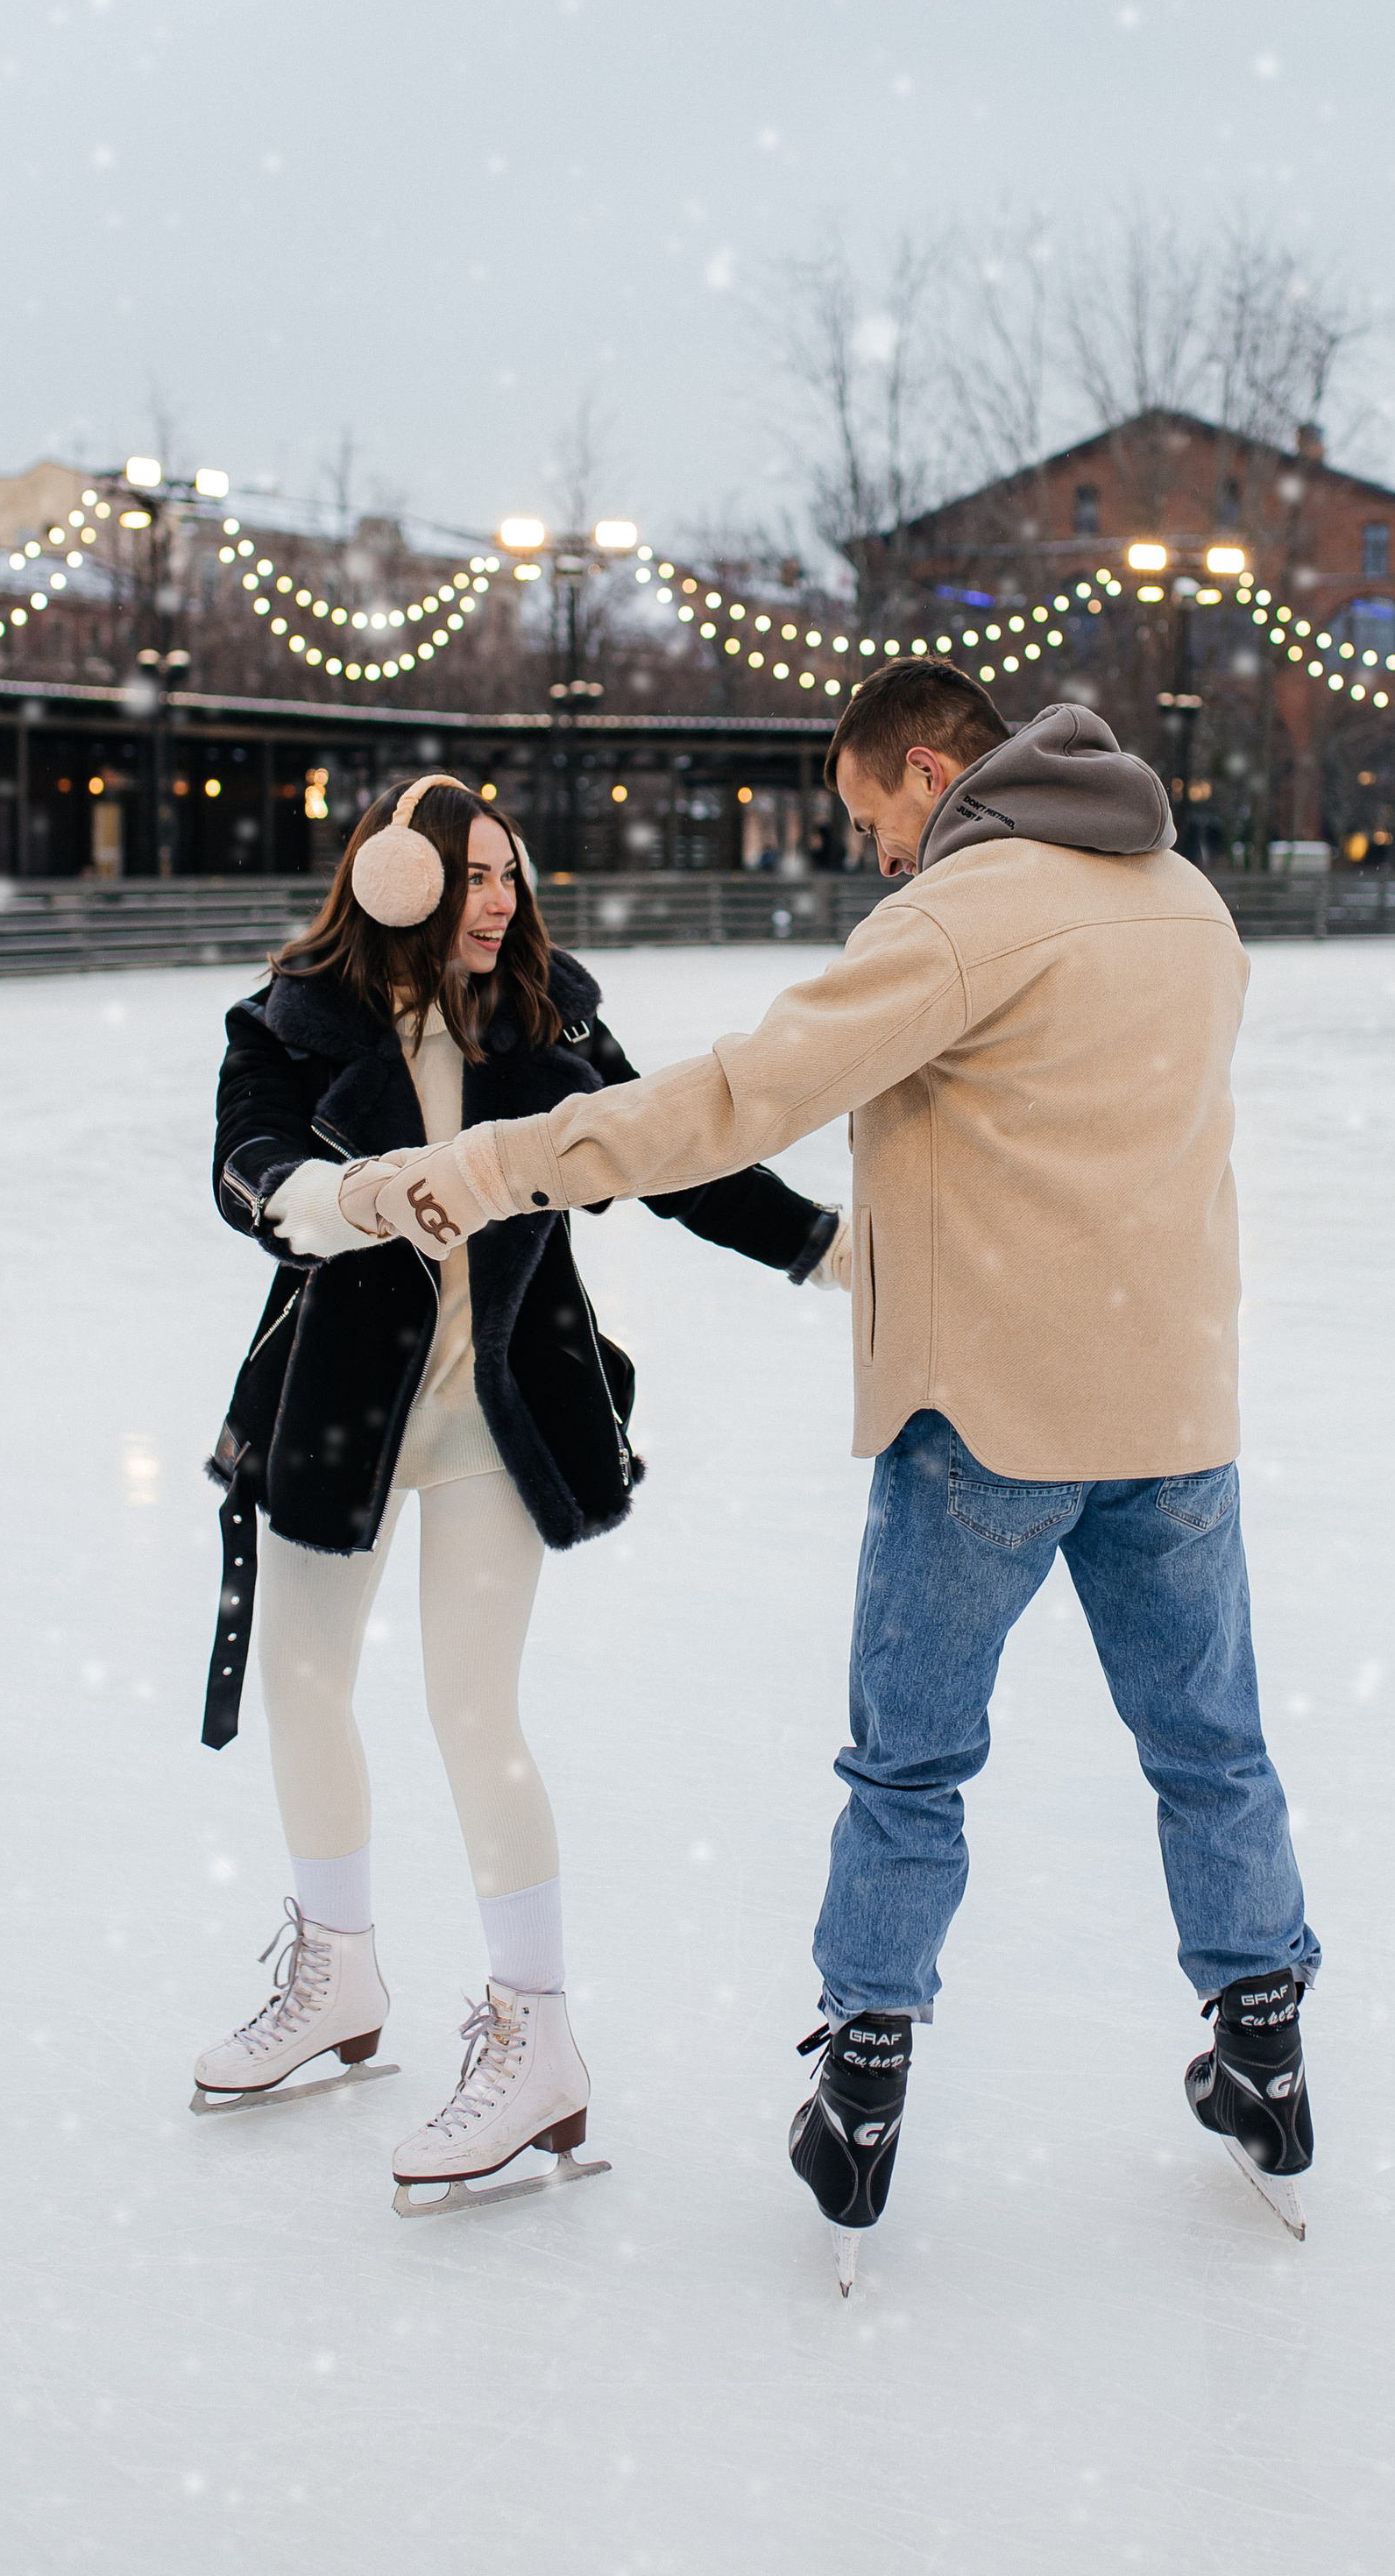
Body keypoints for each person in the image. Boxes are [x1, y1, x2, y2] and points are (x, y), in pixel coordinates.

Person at [329, 669, 1320, 2281]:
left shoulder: (961, 918)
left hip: (987, 1413)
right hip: (1174, 1410)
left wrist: (497, 1167)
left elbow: (732, 1104)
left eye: (874, 817)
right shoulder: (1189, 901)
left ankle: (862, 2076)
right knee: (1211, 1749)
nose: (877, 856)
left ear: (933, 768)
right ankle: (1262, 2039)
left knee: (910, 1770)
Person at [194, 772, 839, 2213]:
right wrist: (341, 1198)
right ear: (394, 883)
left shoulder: (545, 1023)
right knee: (304, 1683)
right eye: (468, 875)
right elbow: (247, 1167)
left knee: (472, 1706)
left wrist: (822, 1249)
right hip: (339, 1404)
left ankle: (536, 2035)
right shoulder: (295, 1017)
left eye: (509, 874)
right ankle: (335, 1969)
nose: (497, 900)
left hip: (495, 1406)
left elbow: (671, 1160)